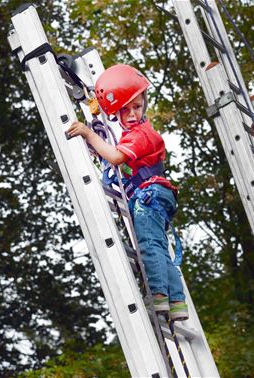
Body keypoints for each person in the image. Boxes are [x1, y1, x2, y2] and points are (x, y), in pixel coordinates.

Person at [66, 64, 188, 321]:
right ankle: (177, 302)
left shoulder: (139, 135)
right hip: (158, 194)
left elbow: (115, 156)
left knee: (149, 245)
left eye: (137, 106)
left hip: (149, 197)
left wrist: (89, 134)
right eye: (125, 109)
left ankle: (158, 297)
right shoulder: (140, 132)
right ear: (115, 112)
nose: (133, 114)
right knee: (160, 247)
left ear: (144, 105)